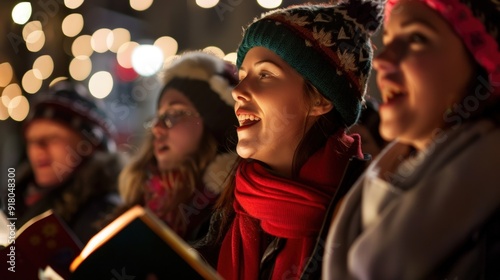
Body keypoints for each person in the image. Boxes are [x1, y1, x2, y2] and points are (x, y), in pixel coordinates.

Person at [194, 1, 383, 279]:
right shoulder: (226, 211)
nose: (239, 91)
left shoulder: (369, 215)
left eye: (266, 74)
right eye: (243, 76)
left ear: (320, 99)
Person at [323, 0, 500, 279]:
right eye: (389, 39)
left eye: (417, 38)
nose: (381, 60)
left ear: (483, 64)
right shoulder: (357, 200)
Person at [117, 51, 239, 243]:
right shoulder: (138, 197)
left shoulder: (228, 214)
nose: (157, 128)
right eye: (158, 117)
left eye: (174, 114)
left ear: (212, 123)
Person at [10, 80, 123, 245]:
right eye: (32, 140)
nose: (38, 149)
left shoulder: (104, 214)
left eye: (53, 138)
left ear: (88, 146)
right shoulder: (16, 198)